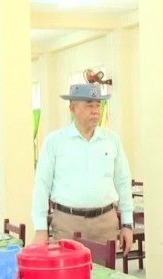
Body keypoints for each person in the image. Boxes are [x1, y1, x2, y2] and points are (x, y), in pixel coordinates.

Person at [31, 83, 134, 254]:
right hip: (68, 223)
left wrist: (127, 224)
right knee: (68, 270)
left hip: (105, 222)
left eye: (98, 105)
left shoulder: (112, 140)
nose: (95, 111)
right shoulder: (55, 141)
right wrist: (40, 228)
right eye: (89, 105)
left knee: (104, 271)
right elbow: (42, 185)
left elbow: (123, 182)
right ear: (73, 108)